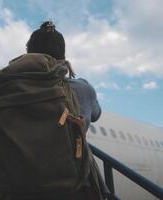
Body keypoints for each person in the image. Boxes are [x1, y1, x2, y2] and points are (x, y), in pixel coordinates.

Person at [25, 21, 108, 200]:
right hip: (71, 186)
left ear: (28, 53)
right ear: (62, 55)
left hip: (20, 183)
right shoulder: (82, 88)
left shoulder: (9, 88)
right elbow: (96, 114)